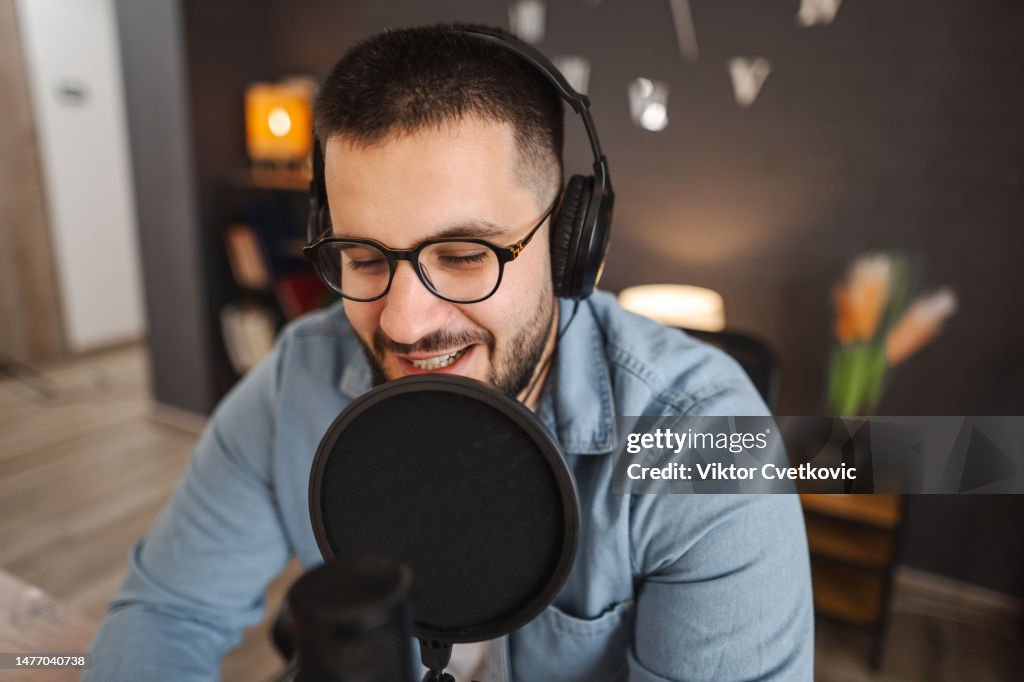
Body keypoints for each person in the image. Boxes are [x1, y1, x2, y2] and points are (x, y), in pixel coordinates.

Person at [87, 23, 813, 681]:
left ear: (571, 242)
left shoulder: (707, 443)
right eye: (363, 258)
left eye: (464, 254)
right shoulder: (297, 378)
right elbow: (168, 613)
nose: (403, 324)